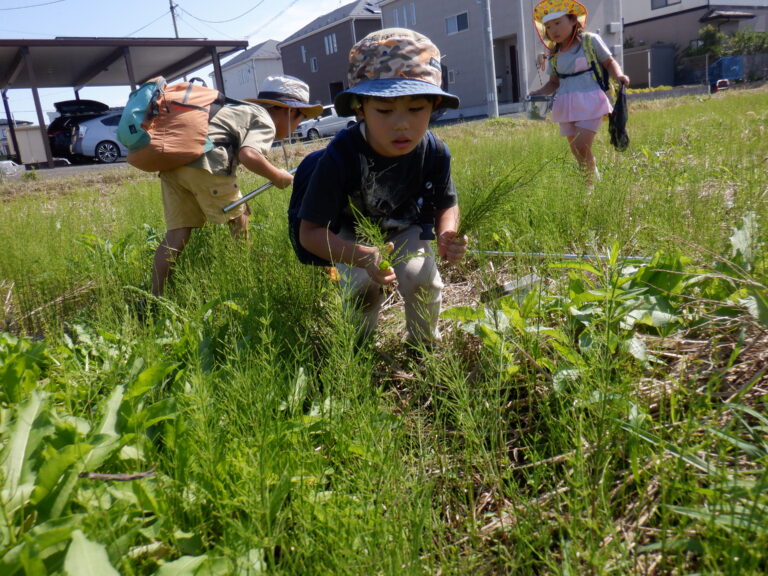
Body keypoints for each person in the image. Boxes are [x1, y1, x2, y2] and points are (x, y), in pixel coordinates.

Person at [297, 28, 468, 346]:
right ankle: (359, 351)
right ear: (360, 108)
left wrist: (446, 232)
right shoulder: (340, 156)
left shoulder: (434, 150)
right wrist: (360, 256)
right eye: (385, 111)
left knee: (422, 281)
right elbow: (310, 233)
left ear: (434, 106)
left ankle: (423, 347)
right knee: (361, 292)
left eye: (416, 109)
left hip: (405, 227)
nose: (401, 124)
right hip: (352, 233)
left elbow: (446, 202)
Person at [151, 75, 322, 296]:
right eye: (300, 118)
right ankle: (246, 284)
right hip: (206, 163)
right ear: (288, 110)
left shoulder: (239, 109)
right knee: (239, 221)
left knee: (176, 234)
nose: (296, 126)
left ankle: (154, 297)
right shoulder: (264, 118)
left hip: (173, 166)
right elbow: (249, 155)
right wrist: (278, 177)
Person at [528, 0, 630, 185]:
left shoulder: (589, 41)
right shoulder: (554, 53)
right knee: (576, 150)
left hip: (591, 100)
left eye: (558, 23)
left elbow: (609, 62)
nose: (553, 30)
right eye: (549, 27)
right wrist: (537, 92)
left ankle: (591, 185)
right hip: (566, 104)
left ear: (573, 20)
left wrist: (619, 75)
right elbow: (554, 83)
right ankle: (591, 184)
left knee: (581, 145)